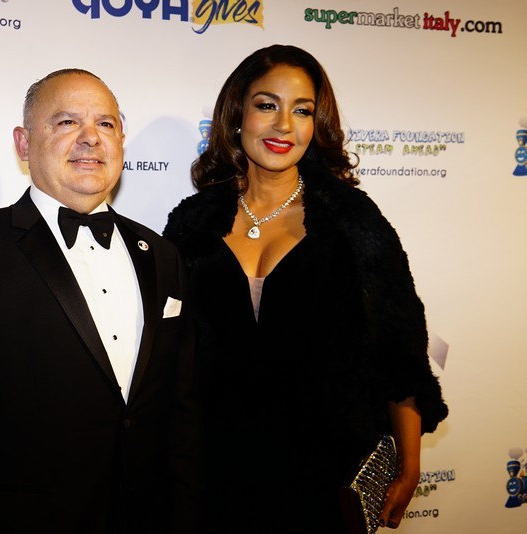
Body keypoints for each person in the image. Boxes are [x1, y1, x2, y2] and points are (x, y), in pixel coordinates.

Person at [163, 45, 448, 532]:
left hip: (324, 478)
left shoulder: (353, 222)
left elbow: (399, 354)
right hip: (212, 475)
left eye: (302, 111)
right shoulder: (192, 223)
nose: (284, 126)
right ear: (236, 114)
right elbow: (166, 355)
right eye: (267, 105)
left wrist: (409, 465)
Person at [0, 69, 202, 534]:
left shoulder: (162, 255)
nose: (91, 138)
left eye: (106, 124)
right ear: (23, 144)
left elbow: (180, 410)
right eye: (66, 122)